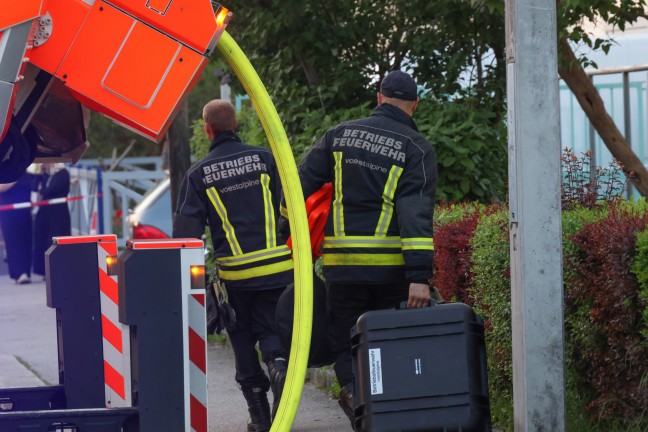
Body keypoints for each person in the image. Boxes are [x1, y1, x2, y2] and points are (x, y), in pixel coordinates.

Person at [286, 70, 437, 425]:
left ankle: (358, 403)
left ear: (379, 98)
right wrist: (420, 276)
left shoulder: (338, 136)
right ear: (414, 105)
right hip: (390, 271)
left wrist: (286, 232)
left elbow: (298, 187)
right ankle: (383, 414)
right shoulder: (416, 149)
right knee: (387, 341)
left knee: (345, 341)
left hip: (342, 267)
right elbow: (415, 215)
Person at [173, 99, 292, 432]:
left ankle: (260, 417)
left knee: (241, 339)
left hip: (236, 276)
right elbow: (292, 206)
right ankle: (279, 367)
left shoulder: (198, 174)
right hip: (277, 268)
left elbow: (186, 234)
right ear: (236, 123)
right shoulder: (266, 160)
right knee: (271, 329)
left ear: (207, 129)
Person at [32, 163, 71, 278]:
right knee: (43, 239)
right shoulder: (46, 175)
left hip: (58, 213)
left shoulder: (63, 174)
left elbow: (51, 190)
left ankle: (56, 269)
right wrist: (39, 174)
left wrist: (42, 191)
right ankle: (44, 269)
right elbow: (34, 186)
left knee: (55, 239)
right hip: (45, 212)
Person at [0, 172, 33, 284]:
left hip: (24, 210)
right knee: (13, 241)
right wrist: (16, 177)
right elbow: (2, 188)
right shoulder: (7, 171)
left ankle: (24, 273)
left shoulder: (26, 170)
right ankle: (18, 273)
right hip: (9, 212)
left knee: (25, 240)